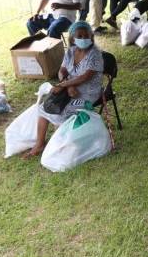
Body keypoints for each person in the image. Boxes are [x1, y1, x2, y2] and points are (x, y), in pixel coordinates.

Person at [23, 21, 103, 158]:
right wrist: (68, 84)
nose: (83, 39)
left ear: (91, 37)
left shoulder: (95, 54)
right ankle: (40, 144)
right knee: (45, 107)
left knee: (61, 112)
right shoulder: (71, 51)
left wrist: (62, 86)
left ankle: (59, 146)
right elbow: (62, 70)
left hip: (88, 92)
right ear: (72, 38)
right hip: (70, 87)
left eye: (86, 36)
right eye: (80, 36)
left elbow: (85, 77)